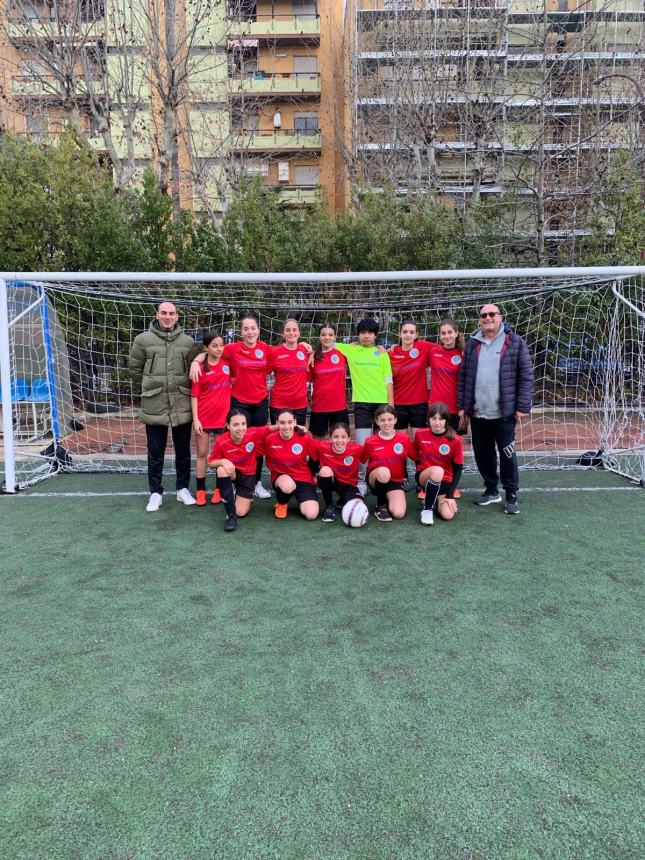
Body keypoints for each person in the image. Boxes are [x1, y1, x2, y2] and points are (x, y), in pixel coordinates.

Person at [457, 303, 534, 515]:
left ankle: (511, 494)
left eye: (492, 314)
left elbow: (526, 376)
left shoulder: (515, 342)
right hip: (479, 412)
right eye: (484, 315)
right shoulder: (472, 344)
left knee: (507, 454)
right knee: (483, 454)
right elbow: (464, 377)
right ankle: (491, 490)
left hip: (504, 412)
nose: (488, 317)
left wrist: (522, 405)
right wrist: (463, 406)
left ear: (500, 317)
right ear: (480, 319)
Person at [191, 313, 274, 499]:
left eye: (253, 328)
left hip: (260, 402)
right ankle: (235, 482)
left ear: (258, 330)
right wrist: (196, 362)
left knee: (257, 443)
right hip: (240, 404)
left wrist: (304, 347)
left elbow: (287, 351)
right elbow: (212, 349)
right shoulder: (232, 349)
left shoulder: (266, 349)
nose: (250, 332)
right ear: (241, 332)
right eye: (246, 328)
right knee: (237, 442)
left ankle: (257, 482)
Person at [128, 301, 201, 512]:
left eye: (172, 313)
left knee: (183, 450)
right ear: (157, 315)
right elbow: (134, 370)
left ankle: (182, 489)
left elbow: (195, 368)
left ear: (177, 316)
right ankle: (155, 493)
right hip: (155, 403)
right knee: (155, 451)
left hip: (181, 403)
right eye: (164, 313)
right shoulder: (142, 340)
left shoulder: (188, 342)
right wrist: (150, 387)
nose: (168, 317)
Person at [335, 318, 393, 495]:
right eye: (363, 332)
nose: (366, 336)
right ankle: (361, 480)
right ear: (358, 334)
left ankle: (380, 477)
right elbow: (328, 342)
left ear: (375, 335)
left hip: (382, 404)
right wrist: (308, 347)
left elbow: (388, 380)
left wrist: (391, 405)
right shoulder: (351, 350)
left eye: (370, 333)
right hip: (362, 404)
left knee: (383, 443)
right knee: (362, 444)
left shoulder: (382, 353)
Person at [207, 408, 271, 532]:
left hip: (248, 476)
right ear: (228, 426)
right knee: (221, 470)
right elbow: (210, 462)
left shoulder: (252, 434)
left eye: (243, 424)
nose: (240, 428)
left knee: (241, 512)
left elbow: (271, 428)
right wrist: (222, 461)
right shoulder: (222, 441)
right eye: (235, 424)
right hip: (233, 473)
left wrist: (296, 427)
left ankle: (241, 495)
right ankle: (231, 517)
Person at [191, 332, 231, 506]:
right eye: (214, 345)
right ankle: (200, 491)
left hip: (222, 420)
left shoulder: (227, 364)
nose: (219, 348)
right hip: (204, 419)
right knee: (202, 454)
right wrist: (196, 419)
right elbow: (194, 396)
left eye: (221, 344)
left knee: (219, 456)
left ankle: (218, 489)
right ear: (206, 348)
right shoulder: (200, 368)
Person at [359, 405, 415, 522]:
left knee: (398, 513)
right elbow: (362, 460)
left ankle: (389, 497)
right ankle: (380, 506)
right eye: (382, 420)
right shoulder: (370, 442)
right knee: (384, 472)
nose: (386, 423)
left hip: (396, 481)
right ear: (377, 421)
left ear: (395, 420)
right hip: (376, 479)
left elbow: (416, 457)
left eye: (390, 419)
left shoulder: (404, 439)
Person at [263, 409, 319, 520]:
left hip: (302, 477)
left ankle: (302, 498)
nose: (286, 426)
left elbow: (315, 458)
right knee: (287, 485)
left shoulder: (305, 437)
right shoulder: (269, 440)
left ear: (295, 422)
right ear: (277, 423)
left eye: (289, 422)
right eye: (282, 423)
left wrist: (313, 476)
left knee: (311, 515)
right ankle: (282, 503)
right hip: (282, 477)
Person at [414, 401, 464, 526]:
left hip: (445, 482)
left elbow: (458, 468)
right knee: (437, 471)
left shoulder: (455, 440)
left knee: (447, 515)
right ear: (429, 419)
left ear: (446, 420)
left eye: (441, 419)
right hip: (425, 477)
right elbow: (415, 455)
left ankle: (434, 500)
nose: (437, 422)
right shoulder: (420, 434)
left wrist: (450, 495)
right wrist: (419, 469)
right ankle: (427, 510)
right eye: (433, 418)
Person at [388, 319, 431, 438]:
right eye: (405, 332)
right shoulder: (391, 353)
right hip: (398, 404)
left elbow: (445, 347)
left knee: (419, 441)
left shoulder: (423, 347)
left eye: (412, 332)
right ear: (399, 333)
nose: (408, 335)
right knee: (402, 442)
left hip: (419, 404)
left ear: (416, 334)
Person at [313, 422, 362, 522]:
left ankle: (343, 499)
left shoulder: (357, 449)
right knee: (325, 471)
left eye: (343, 437)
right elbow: (306, 440)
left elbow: (371, 452)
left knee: (358, 506)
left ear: (348, 439)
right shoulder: (322, 447)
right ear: (330, 438)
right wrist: (298, 429)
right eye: (336, 437)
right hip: (332, 482)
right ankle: (329, 507)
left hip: (349, 485)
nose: (339, 440)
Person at [308, 323, 349, 439]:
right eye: (323, 335)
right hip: (319, 406)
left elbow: (361, 348)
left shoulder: (343, 354)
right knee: (317, 442)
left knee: (340, 441)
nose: (327, 337)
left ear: (335, 337)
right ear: (319, 337)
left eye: (331, 335)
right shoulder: (313, 357)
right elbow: (306, 381)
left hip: (339, 406)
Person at [269, 318, 310, 425]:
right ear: (283, 334)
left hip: (300, 403)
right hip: (279, 403)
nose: (291, 333)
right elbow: (263, 371)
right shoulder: (274, 352)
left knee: (299, 437)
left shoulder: (306, 350)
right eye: (288, 330)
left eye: (294, 330)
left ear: (299, 333)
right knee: (277, 438)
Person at [427, 319, 466, 433]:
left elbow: (467, 383)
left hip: (455, 408)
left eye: (450, 332)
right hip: (436, 407)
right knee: (436, 444)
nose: (447, 336)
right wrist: (395, 347)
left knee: (454, 443)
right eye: (443, 333)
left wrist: (464, 408)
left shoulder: (464, 353)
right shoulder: (433, 351)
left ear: (456, 333)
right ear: (439, 335)